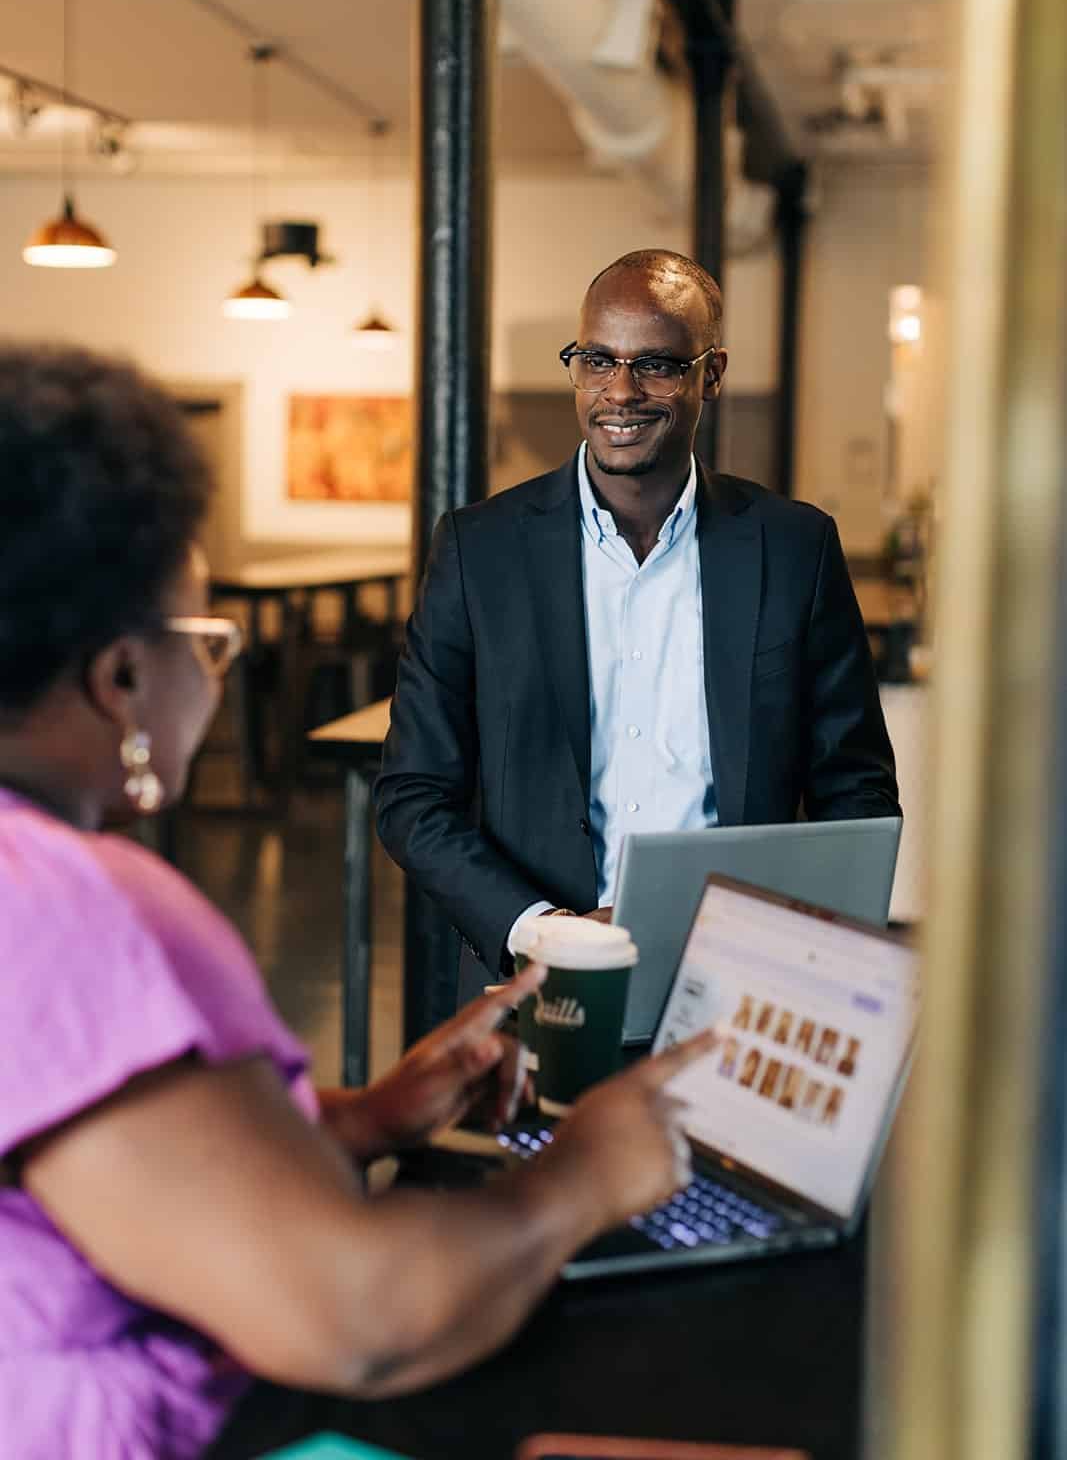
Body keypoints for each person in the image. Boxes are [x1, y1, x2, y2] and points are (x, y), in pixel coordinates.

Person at [0, 346, 714, 1460]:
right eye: (209, 642)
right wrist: (587, 1174)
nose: (219, 677)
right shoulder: (67, 907)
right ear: (121, 680)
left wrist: (364, 1117)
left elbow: (102, 1163)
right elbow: (357, 1320)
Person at [376, 249, 900, 1008]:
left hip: (742, 986)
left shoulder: (793, 550)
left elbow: (854, 790)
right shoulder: (478, 550)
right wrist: (542, 928)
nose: (618, 392)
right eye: (596, 359)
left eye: (654, 364)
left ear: (710, 375)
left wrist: (804, 951)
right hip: (538, 983)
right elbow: (414, 795)